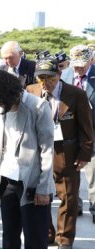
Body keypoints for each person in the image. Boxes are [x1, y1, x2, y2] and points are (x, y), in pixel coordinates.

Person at [0, 70, 54, 249]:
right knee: (9, 240)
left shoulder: (38, 107)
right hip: (7, 183)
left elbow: (47, 149)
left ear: (10, 92)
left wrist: (43, 188)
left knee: (34, 243)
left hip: (32, 184)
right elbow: (0, 143)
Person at [26, 55, 93, 249]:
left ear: (60, 74)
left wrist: (84, 154)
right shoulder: (31, 91)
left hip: (67, 152)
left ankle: (65, 238)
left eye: (50, 78)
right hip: (38, 153)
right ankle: (47, 233)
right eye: (41, 78)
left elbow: (87, 130)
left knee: (68, 197)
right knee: (39, 195)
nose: (45, 83)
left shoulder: (76, 94)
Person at [68, 45, 95, 223]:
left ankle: (94, 207)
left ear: (90, 60)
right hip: (71, 133)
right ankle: (74, 205)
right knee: (71, 173)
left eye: (81, 65)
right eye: (75, 65)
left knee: (93, 175)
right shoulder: (66, 76)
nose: (78, 69)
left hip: (93, 133)